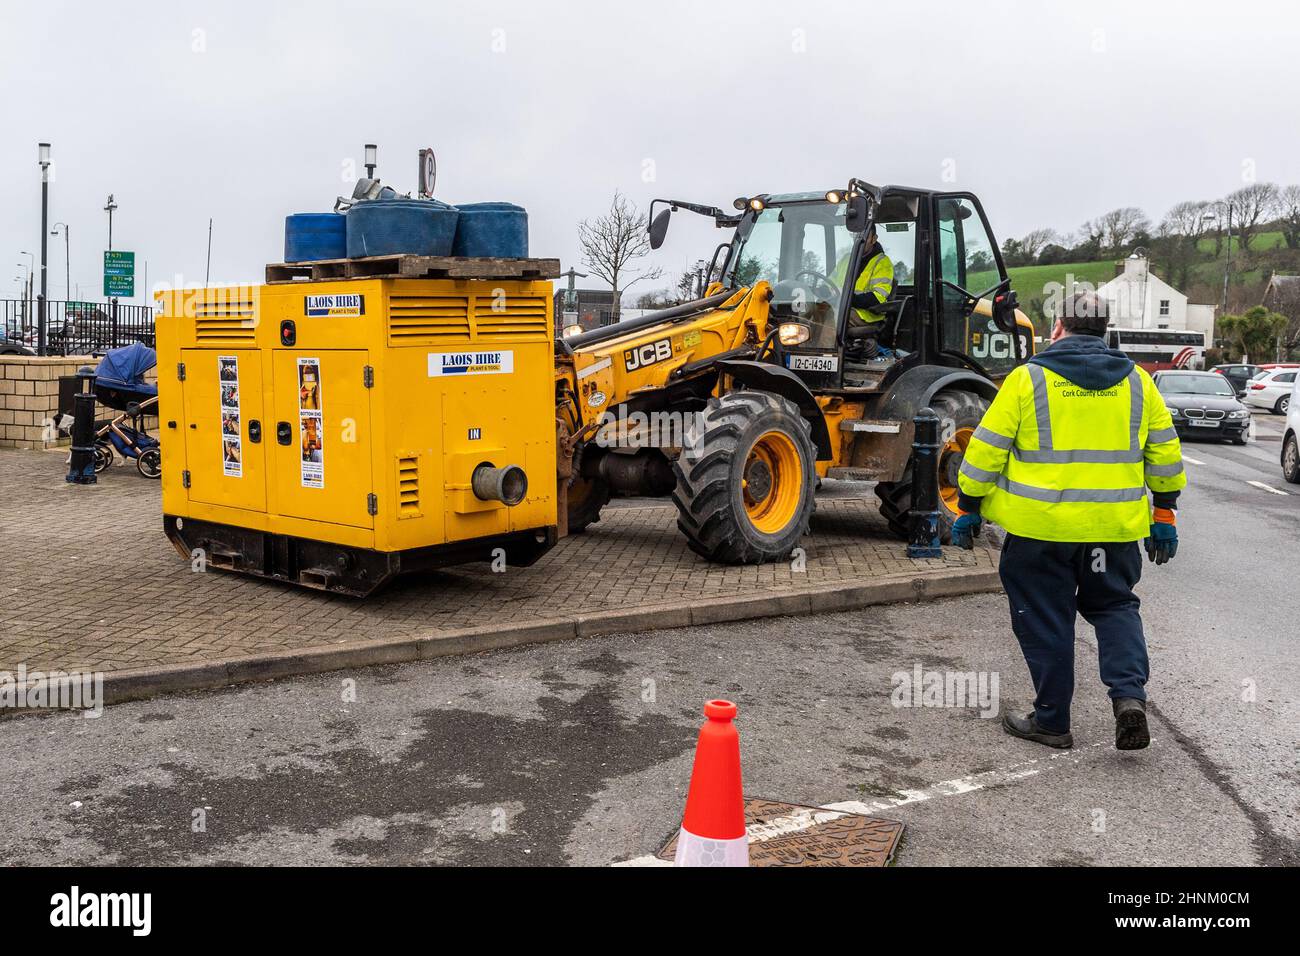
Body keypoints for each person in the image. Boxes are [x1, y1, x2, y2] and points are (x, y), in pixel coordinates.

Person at [951, 290, 1185, 751]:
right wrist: (1163, 514)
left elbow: (985, 451)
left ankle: (1052, 721)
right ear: (1105, 329)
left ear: (1059, 328)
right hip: (1113, 533)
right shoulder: (1139, 381)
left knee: (1046, 620)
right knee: (1114, 607)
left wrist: (968, 506)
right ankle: (1128, 698)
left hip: (1040, 533)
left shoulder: (1026, 380)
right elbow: (1165, 453)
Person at [830, 225, 894, 345]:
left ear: (874, 239)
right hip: (843, 307)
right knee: (811, 312)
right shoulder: (846, 259)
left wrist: (847, 298)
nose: (858, 240)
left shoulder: (882, 263)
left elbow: (878, 298)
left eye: (863, 237)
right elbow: (830, 284)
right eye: (856, 236)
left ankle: (827, 357)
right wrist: (817, 290)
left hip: (866, 314)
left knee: (829, 318)